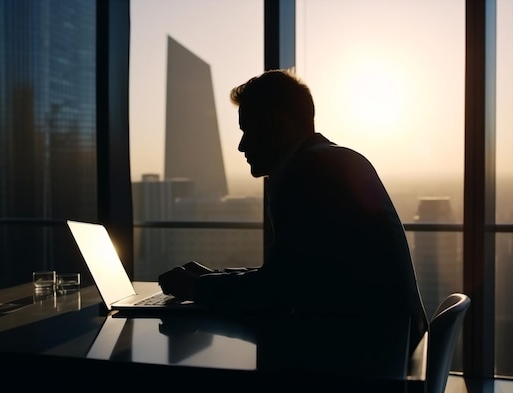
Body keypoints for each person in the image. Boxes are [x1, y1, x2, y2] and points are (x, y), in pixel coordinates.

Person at [158, 69, 427, 350]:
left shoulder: (305, 173)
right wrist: (214, 278)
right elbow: (297, 274)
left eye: (248, 129)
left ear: (275, 124)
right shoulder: (336, 159)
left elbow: (278, 292)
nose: (241, 146)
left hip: (367, 362)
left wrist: (196, 288)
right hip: (392, 348)